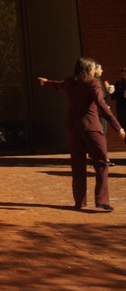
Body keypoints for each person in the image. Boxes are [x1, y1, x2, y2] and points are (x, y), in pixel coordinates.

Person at [38, 57, 125, 212]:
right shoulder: (93, 83)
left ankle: (79, 202)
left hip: (73, 127)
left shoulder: (71, 82)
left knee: (78, 165)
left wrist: (45, 82)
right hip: (91, 127)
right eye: (92, 67)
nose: (94, 70)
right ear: (87, 69)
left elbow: (59, 85)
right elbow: (102, 106)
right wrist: (118, 127)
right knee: (102, 163)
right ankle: (101, 200)